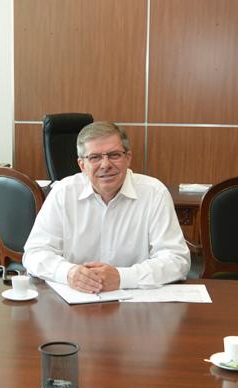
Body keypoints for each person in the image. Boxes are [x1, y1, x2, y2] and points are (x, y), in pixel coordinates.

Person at [22, 121, 190, 292]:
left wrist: (122, 278)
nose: (105, 164)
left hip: (136, 306)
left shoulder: (154, 193)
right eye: (95, 157)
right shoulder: (63, 193)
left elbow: (177, 260)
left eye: (114, 155)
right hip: (75, 302)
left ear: (128, 158)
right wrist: (69, 272)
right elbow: (34, 253)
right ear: (82, 165)